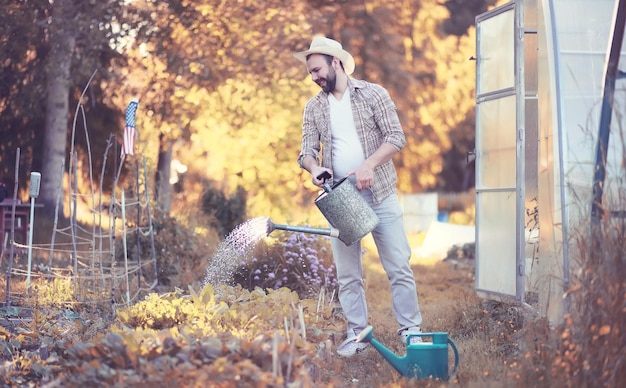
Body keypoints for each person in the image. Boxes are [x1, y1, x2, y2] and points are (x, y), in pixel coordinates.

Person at [293, 36, 424, 357]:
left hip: (380, 192)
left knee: (398, 266)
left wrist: (368, 165)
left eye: (318, 70)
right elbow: (306, 152)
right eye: (311, 73)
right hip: (341, 199)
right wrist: (314, 169)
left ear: (336, 62)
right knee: (348, 274)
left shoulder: (373, 94)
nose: (314, 77)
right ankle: (358, 336)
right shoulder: (314, 107)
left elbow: (396, 137)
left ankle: (411, 331)